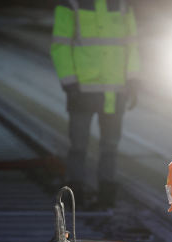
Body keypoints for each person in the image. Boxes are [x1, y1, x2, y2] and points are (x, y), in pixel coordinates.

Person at [50, 0, 140, 208]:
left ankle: (106, 196)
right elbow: (60, 46)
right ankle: (75, 197)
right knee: (79, 147)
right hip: (82, 90)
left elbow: (131, 45)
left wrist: (133, 81)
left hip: (114, 91)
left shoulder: (121, 5)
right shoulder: (71, 4)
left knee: (109, 147)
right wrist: (70, 82)